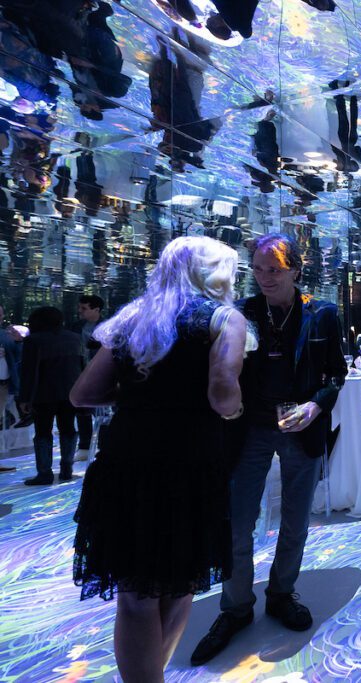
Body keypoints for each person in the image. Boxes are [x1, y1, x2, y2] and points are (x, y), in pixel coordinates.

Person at [70, 236, 246, 681]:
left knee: (136, 594)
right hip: (190, 464)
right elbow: (222, 394)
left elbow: (83, 394)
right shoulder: (223, 319)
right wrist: (237, 411)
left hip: (127, 462)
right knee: (182, 580)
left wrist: (139, 400)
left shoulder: (131, 319)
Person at [191, 233, 348, 666]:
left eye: (273, 270)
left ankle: (281, 593)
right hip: (249, 429)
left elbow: (337, 372)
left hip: (302, 428)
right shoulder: (240, 312)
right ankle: (236, 608)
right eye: (257, 269)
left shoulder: (324, 314)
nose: (264, 278)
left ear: (296, 269)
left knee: (296, 520)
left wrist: (318, 404)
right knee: (237, 522)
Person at [19, 307, 84, 485]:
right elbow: (81, 367)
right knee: (68, 429)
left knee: (43, 432)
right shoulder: (74, 338)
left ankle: (45, 473)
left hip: (43, 394)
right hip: (70, 392)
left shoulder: (33, 341)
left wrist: (25, 398)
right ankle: (66, 469)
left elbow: (29, 371)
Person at [70, 294, 104, 462]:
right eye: (80, 307)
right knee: (82, 410)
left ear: (96, 309)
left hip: (102, 372)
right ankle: (84, 446)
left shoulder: (109, 326)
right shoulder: (76, 326)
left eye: (84, 308)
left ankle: (103, 446)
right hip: (80, 370)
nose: (80, 311)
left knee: (103, 410)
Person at [0, 303, 21, 471]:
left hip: (3, 385)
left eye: (0, 314)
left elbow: (18, 357)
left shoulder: (6, 336)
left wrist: (19, 341)